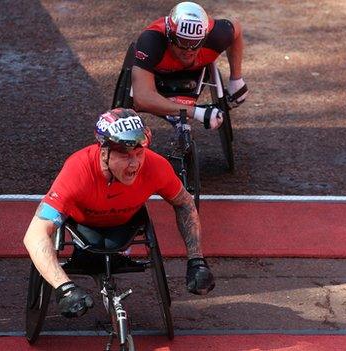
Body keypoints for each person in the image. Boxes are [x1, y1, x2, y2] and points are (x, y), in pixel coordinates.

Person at [23, 108, 215, 318]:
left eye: (139, 153)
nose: (135, 164)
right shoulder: (77, 171)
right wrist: (64, 287)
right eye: (125, 155)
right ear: (104, 153)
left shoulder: (155, 166)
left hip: (126, 225)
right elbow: (35, 233)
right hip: (82, 227)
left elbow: (185, 203)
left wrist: (196, 260)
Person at [131, 1, 247, 130]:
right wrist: (195, 112)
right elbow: (141, 98)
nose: (189, 50)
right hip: (158, 75)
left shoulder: (218, 35)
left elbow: (236, 27)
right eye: (183, 42)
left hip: (196, 72)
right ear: (170, 35)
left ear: (205, 37)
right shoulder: (151, 41)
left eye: (195, 43)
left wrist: (236, 79)